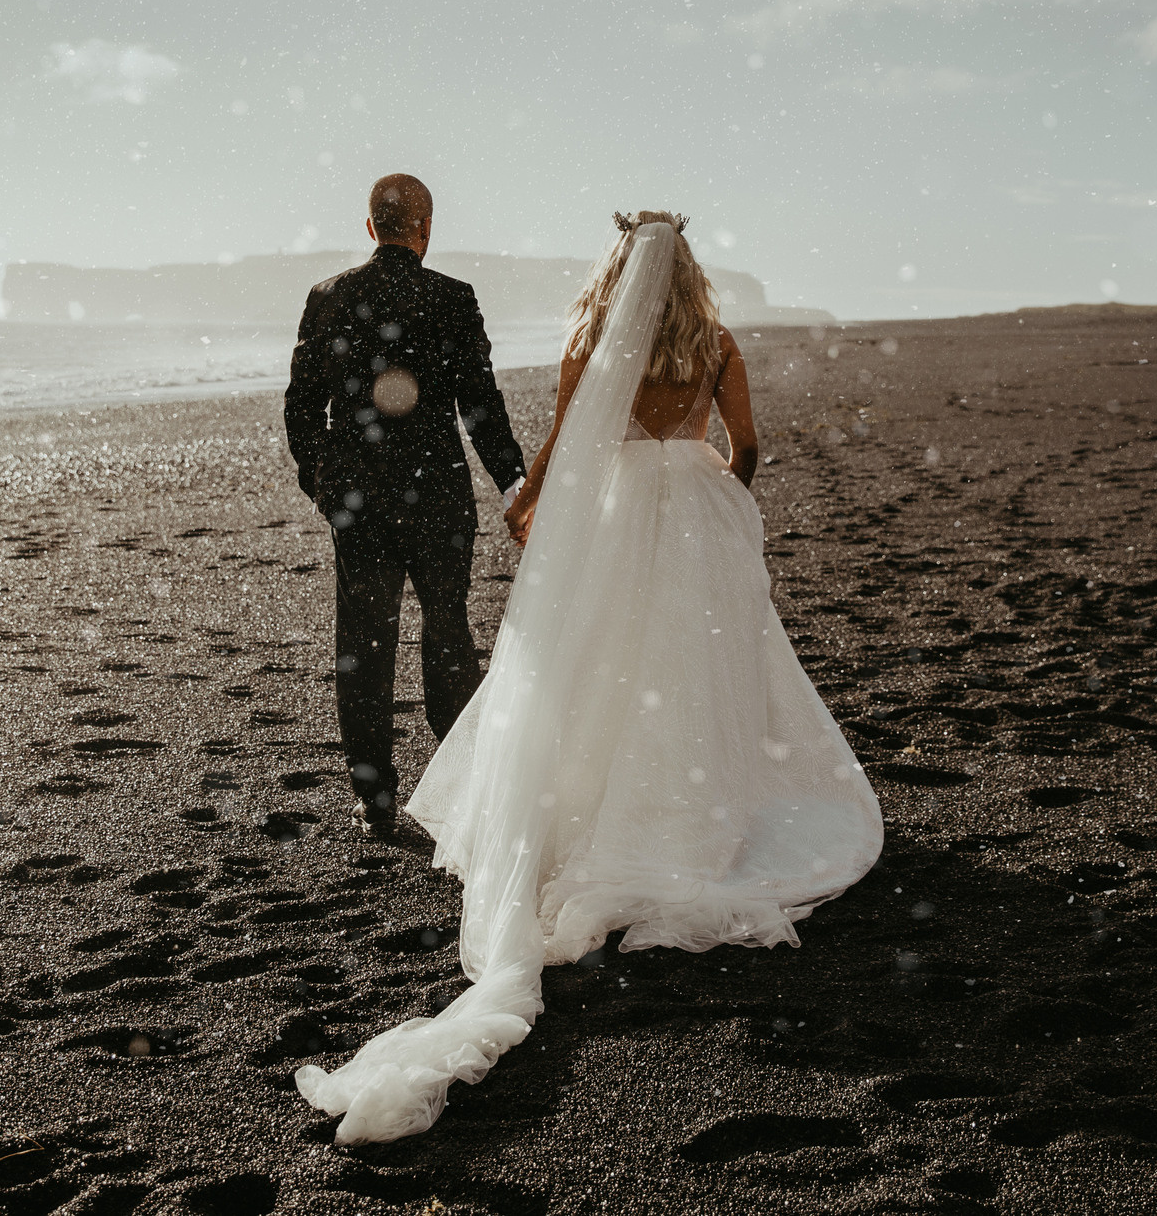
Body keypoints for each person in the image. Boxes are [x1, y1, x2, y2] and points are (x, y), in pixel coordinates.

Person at [294, 212, 886, 1143]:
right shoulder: (716, 343)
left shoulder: (591, 345)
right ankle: (691, 808)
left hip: (613, 516)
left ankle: (598, 808)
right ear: (685, 270)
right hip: (690, 510)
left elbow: (569, 448)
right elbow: (750, 446)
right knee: (694, 663)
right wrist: (719, 485)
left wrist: (528, 498)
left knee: (605, 664)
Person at [284, 174, 529, 839]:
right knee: (448, 632)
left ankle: (376, 799)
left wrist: (325, 485)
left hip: (360, 501)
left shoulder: (330, 297)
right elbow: (480, 403)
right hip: (439, 494)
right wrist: (513, 483)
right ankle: (461, 789)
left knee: (363, 645)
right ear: (426, 229)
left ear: (371, 228)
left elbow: (301, 408)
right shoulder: (452, 298)